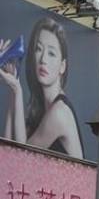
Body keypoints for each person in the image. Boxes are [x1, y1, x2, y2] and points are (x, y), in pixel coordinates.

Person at [0, 17, 84, 158]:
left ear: (62, 66)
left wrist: (17, 89)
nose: (43, 59)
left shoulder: (60, 113)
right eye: (38, 49)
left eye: (51, 53)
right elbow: (7, 152)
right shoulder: (40, 110)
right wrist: (12, 87)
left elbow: (22, 157)